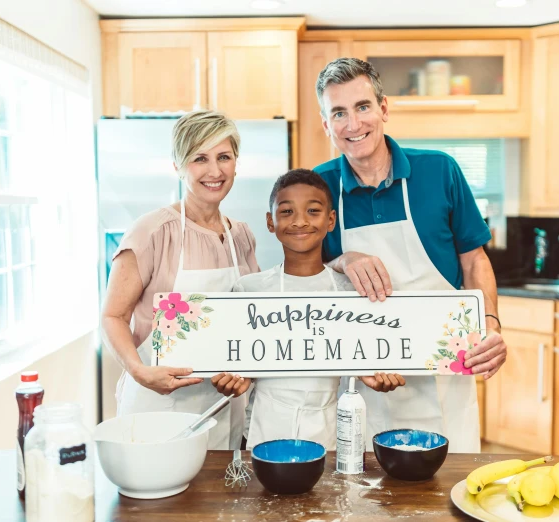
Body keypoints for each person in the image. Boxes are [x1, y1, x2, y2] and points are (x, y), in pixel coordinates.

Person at [313, 58, 509, 452]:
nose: (353, 124)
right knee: (366, 500)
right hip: (364, 379)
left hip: (444, 377)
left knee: (448, 494)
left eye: (363, 107)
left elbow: (474, 260)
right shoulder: (317, 186)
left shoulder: (440, 171)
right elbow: (304, 273)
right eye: (339, 113)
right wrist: (343, 260)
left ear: (383, 109)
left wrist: (490, 323)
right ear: (326, 125)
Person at [101, 110, 260, 450]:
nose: (214, 171)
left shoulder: (241, 236)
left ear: (236, 163)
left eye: (224, 157)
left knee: (218, 500)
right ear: (178, 165)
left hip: (223, 407)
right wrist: (139, 372)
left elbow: (251, 319)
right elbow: (112, 316)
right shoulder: (153, 231)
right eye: (199, 158)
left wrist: (246, 370)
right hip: (159, 404)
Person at [214, 169, 405, 450]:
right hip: (261, 428)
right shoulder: (248, 290)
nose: (300, 221)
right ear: (270, 221)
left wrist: (375, 374)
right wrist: (233, 378)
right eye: (287, 211)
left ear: (330, 221)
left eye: (312, 211)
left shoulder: (352, 292)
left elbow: (360, 353)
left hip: (328, 430)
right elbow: (244, 363)